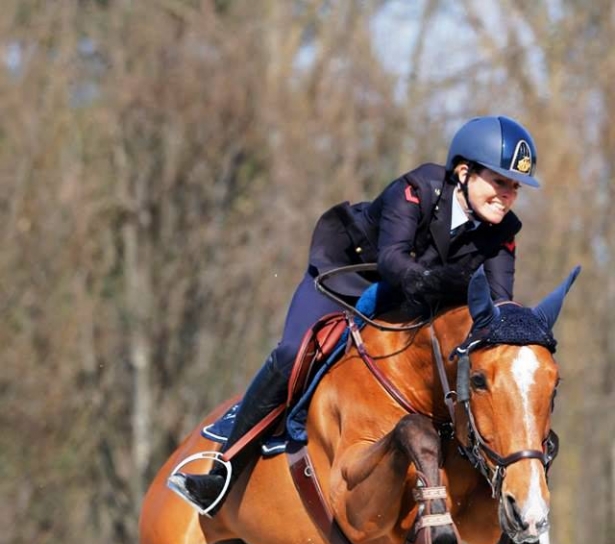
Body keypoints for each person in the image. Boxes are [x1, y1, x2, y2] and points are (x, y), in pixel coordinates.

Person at [169, 114, 539, 516]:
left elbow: (497, 308)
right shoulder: (416, 190)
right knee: (294, 352)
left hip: (414, 302)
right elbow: (395, 264)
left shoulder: (503, 231)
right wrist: (452, 280)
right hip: (347, 279)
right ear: (464, 172)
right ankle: (224, 467)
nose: (507, 195)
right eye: (500, 182)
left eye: (515, 187)